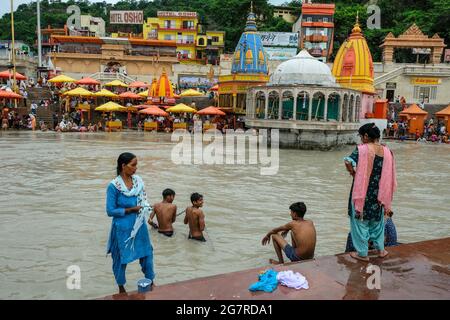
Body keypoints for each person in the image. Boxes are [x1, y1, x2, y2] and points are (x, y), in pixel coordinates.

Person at [344, 123, 397, 262]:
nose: (361, 139)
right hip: (380, 193)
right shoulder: (387, 151)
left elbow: (348, 161)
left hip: (362, 192)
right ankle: (381, 250)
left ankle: (362, 253)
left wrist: (353, 173)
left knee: (359, 221)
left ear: (366, 136)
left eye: (361, 136)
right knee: (377, 221)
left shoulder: (362, 149)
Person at [106, 152, 155, 293]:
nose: (136, 168)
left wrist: (144, 207)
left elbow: (143, 199)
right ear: (123, 166)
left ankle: (151, 280)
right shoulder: (113, 186)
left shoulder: (138, 181)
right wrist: (130, 209)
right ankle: (121, 288)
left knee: (147, 253)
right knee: (121, 258)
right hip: (122, 228)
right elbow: (110, 211)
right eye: (133, 165)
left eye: (136, 165)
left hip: (139, 225)